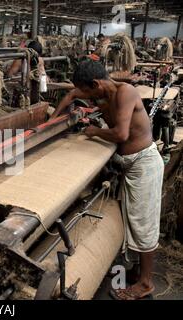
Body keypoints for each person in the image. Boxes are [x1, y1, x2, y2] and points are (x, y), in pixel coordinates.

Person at [50, 60, 164, 300]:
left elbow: (121, 134)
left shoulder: (125, 93)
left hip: (143, 164)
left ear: (96, 84)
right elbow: (72, 94)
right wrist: (50, 123)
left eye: (89, 92)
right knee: (132, 218)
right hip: (128, 164)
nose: (88, 98)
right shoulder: (102, 92)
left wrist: (94, 131)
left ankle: (146, 283)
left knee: (144, 222)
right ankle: (136, 271)